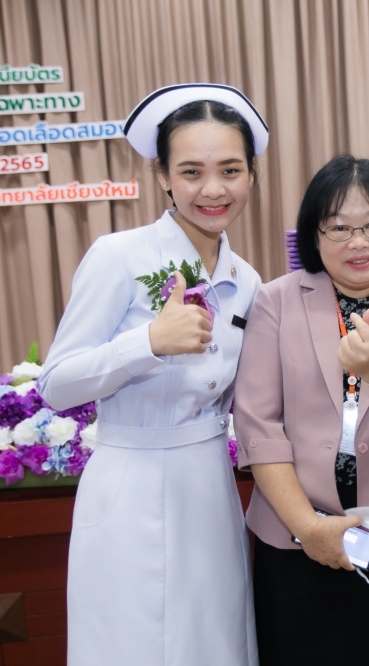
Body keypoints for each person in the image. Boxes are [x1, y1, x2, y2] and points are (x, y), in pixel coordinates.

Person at [39, 84, 268, 666]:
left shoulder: (247, 280)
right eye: (191, 171)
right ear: (163, 175)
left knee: (213, 639)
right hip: (130, 486)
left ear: (251, 174)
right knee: (133, 643)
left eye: (230, 170)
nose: (213, 189)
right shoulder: (119, 256)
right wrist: (146, 343)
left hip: (209, 488)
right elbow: (57, 384)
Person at [233, 154, 369, 666]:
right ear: (314, 233)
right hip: (294, 536)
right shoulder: (275, 301)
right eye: (339, 228)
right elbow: (258, 425)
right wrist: (308, 528)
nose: (359, 242)